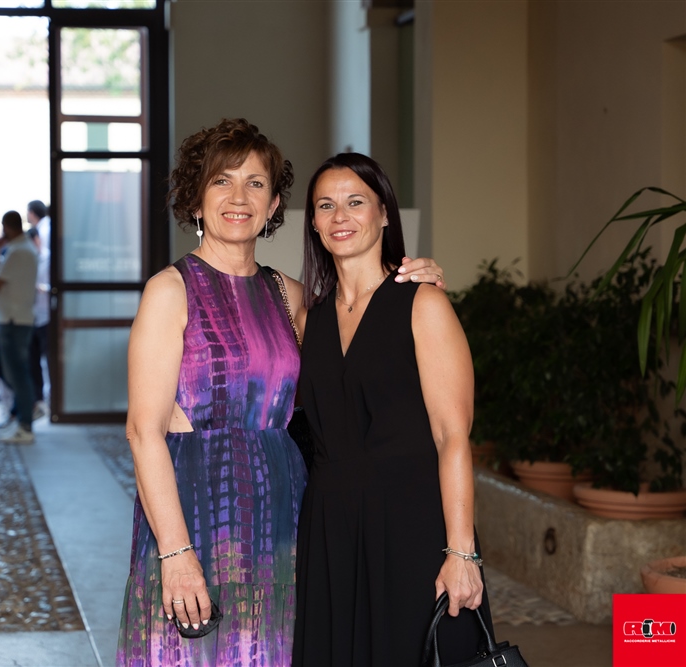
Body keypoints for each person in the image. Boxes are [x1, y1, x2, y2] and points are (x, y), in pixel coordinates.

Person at [116, 118, 445, 665]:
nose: (238, 197)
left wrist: (415, 284)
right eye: (221, 181)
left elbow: (366, 349)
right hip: (195, 511)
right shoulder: (169, 291)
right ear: (196, 200)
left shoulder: (290, 296)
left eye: (255, 183)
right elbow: (142, 432)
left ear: (273, 207)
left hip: (283, 516)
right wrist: (174, 552)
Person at [292, 153, 490, 666]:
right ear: (312, 223)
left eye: (355, 202)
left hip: (411, 524)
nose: (340, 216)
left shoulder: (424, 304)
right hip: (331, 529)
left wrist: (461, 552)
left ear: (384, 213)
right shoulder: (308, 318)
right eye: (325, 206)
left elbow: (452, 436)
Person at [0, 210, 38, 444]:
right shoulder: (26, 248)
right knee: (13, 371)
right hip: (19, 318)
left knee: (15, 373)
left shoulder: (18, 251)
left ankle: (26, 422)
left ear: (6, 227)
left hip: (12, 320)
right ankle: (24, 415)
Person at [26, 200, 51, 420]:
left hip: (46, 315)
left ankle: (51, 399)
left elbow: (55, 286)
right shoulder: (29, 260)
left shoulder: (49, 258)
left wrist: (43, 288)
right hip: (31, 316)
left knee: (48, 360)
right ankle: (38, 400)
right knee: (33, 362)